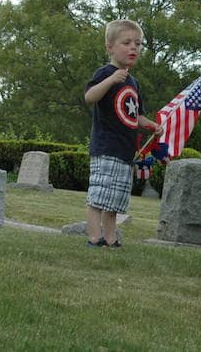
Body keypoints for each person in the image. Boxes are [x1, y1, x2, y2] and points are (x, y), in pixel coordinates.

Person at [84, 19, 163, 248]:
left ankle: (110, 239)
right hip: (106, 146)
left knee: (115, 200)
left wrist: (151, 125)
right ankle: (93, 237)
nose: (133, 48)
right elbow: (90, 97)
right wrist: (110, 80)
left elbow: (134, 115)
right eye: (126, 42)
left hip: (126, 150)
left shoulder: (133, 82)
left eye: (138, 44)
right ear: (109, 47)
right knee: (98, 196)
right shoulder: (105, 73)